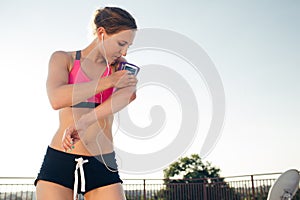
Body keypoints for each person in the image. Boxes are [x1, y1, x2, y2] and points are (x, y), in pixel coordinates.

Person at [34, 6, 138, 200]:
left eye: (128, 46)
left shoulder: (121, 66)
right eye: (121, 43)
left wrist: (84, 122)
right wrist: (108, 82)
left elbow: (128, 95)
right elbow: (56, 98)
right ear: (102, 33)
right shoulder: (63, 59)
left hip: (103, 162)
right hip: (60, 158)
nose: (124, 51)